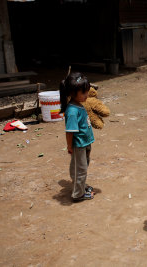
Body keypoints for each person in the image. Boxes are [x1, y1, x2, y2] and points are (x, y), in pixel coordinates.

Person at [60, 72, 95, 202]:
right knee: (81, 169)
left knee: (81, 167)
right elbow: (70, 131)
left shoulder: (78, 105)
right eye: (83, 93)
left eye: (87, 92)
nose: (87, 95)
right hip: (79, 145)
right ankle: (78, 194)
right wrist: (69, 146)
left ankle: (79, 186)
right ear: (73, 93)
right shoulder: (72, 111)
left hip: (85, 143)